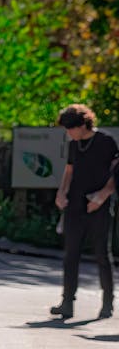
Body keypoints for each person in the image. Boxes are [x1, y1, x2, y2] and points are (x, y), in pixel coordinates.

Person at [52, 103, 116, 320]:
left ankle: (107, 303)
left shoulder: (106, 142)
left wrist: (102, 197)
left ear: (82, 125)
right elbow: (68, 171)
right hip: (75, 205)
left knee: (102, 255)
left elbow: (116, 175)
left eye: (71, 129)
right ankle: (67, 303)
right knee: (71, 255)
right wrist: (62, 193)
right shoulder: (73, 145)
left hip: (99, 205)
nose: (69, 133)